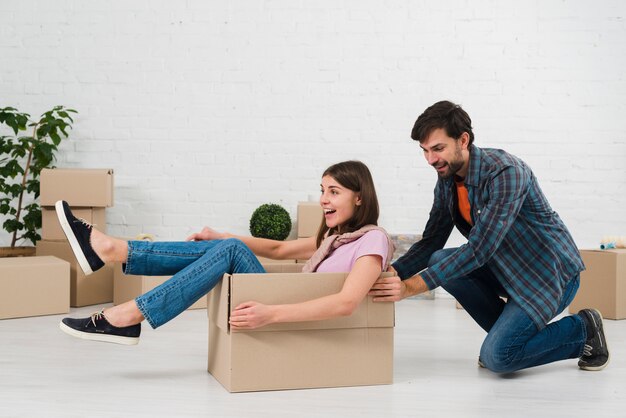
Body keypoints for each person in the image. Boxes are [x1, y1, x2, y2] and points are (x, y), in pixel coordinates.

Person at [369, 100, 609, 372]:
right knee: (438, 258)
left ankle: (583, 329)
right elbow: (432, 241)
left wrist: (411, 287)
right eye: (424, 151)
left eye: (438, 149)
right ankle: (511, 341)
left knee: (499, 358)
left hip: (548, 276)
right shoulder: (447, 178)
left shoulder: (506, 172)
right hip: (506, 270)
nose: (431, 159)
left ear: (463, 140)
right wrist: (390, 275)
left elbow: (480, 249)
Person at [56, 160, 395, 345]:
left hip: (288, 311)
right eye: (322, 190)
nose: (323, 199)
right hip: (283, 300)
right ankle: (114, 255)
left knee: (231, 249)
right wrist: (220, 236)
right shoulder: (334, 237)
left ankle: (124, 298)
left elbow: (346, 303)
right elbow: (278, 249)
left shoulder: (372, 241)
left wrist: (271, 314)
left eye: (334, 192)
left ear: (359, 197)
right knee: (228, 247)